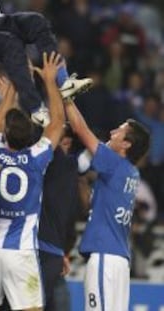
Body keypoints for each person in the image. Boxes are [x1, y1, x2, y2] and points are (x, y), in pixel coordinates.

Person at [0, 52, 66, 311]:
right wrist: (49, 81)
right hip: (20, 253)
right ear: (30, 138)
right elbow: (58, 122)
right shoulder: (37, 158)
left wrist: (15, 84)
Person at [64, 98, 150, 310]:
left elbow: (79, 128)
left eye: (119, 131)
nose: (112, 132)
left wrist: (65, 92)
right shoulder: (130, 172)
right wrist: (81, 176)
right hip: (119, 261)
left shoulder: (114, 163)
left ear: (126, 144)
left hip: (105, 257)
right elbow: (88, 206)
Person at [38, 126, 79, 311]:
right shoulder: (39, 167)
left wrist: (64, 250)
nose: (64, 149)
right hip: (36, 249)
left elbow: (69, 217)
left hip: (54, 251)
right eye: (61, 143)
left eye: (68, 144)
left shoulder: (69, 170)